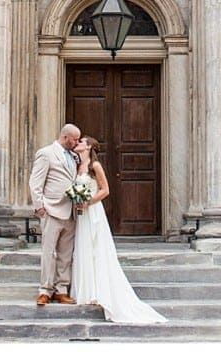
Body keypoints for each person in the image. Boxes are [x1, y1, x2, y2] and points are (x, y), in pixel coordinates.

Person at [71, 136, 166, 324]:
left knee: (96, 247)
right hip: (81, 213)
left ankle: (98, 291)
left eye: (81, 142)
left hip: (93, 211)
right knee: (82, 248)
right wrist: (77, 200)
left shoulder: (95, 167)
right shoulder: (76, 166)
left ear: (88, 146)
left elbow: (105, 190)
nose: (78, 144)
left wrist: (88, 202)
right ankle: (85, 290)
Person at [28, 123, 82, 306]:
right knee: (48, 252)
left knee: (65, 255)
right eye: (75, 139)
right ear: (65, 137)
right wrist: (39, 207)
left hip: (70, 212)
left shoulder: (75, 157)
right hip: (51, 210)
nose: (77, 142)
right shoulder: (46, 153)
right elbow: (35, 182)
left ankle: (61, 289)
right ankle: (45, 289)